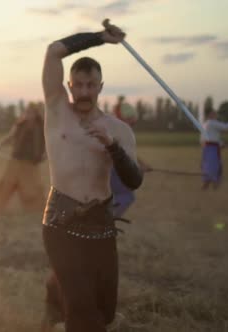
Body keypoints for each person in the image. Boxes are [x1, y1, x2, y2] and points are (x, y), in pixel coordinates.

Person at [40, 20, 143, 332]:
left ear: (100, 87)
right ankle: (67, 307)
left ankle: (53, 301)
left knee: (104, 309)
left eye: (91, 85)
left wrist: (110, 146)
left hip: (100, 223)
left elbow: (133, 181)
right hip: (61, 221)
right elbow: (53, 52)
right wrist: (100, 38)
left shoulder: (119, 130)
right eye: (78, 85)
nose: (84, 92)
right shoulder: (57, 110)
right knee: (85, 313)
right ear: (69, 86)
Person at [0, 103, 46, 214]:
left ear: (36, 114)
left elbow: (48, 143)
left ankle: (39, 209)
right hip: (16, 161)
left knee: (33, 187)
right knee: (6, 184)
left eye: (32, 113)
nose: (29, 115)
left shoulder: (42, 127)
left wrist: (45, 155)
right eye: (27, 112)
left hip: (31, 163)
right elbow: (10, 136)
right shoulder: (20, 125)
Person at [200, 109, 228, 190]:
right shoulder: (212, 123)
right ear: (210, 115)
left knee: (208, 165)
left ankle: (208, 183)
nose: (216, 116)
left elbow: (212, 136)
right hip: (212, 148)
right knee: (215, 166)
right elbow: (225, 127)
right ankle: (214, 183)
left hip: (207, 147)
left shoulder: (206, 124)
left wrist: (222, 144)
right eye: (214, 114)